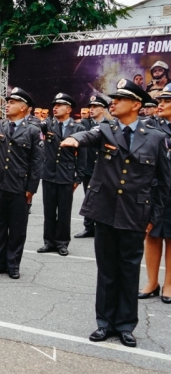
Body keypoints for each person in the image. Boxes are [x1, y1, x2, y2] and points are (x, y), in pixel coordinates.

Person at [61, 78, 171, 348]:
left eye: (120, 99)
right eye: (114, 99)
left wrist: (153, 217)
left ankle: (125, 325)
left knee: (129, 270)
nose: (114, 103)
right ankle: (104, 323)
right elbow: (88, 136)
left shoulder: (155, 137)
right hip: (105, 211)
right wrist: (74, 139)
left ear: (136, 104)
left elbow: (163, 183)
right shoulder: (105, 129)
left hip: (135, 213)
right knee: (107, 270)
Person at [0, 87, 43, 280]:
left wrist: (31, 188)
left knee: (17, 228)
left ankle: (13, 264)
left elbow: (36, 162)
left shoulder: (33, 130)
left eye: (12, 103)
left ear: (23, 107)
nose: (8, 105)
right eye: (8, 102)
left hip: (18, 185)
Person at [36, 93, 86, 257]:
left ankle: (62, 242)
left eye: (59, 105)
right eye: (54, 105)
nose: (55, 108)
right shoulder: (48, 125)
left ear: (69, 109)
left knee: (64, 211)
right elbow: (35, 126)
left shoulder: (78, 128)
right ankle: (49, 241)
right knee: (49, 210)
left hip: (66, 174)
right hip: (49, 173)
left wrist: (78, 178)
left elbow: (83, 156)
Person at [138, 83, 171, 304]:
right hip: (154, 188)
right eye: (160, 101)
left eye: (167, 101)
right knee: (152, 234)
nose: (161, 105)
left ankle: (169, 284)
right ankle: (152, 282)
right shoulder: (149, 125)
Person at [74, 96, 110, 238]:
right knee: (89, 197)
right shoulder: (84, 124)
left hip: (105, 169)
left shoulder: (110, 125)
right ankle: (88, 227)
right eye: (90, 107)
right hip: (89, 167)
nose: (91, 109)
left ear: (102, 109)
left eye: (95, 107)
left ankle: (102, 227)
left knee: (104, 198)